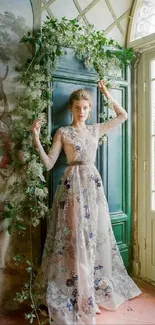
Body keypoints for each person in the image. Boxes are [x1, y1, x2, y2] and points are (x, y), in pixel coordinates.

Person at [31, 80, 141, 325]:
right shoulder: (63, 132)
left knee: (91, 239)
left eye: (86, 108)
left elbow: (122, 115)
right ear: (71, 108)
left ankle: (89, 295)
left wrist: (105, 93)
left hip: (93, 186)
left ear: (89, 109)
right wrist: (36, 138)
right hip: (71, 187)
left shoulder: (94, 130)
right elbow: (49, 164)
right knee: (74, 239)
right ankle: (76, 293)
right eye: (78, 107)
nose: (82, 112)